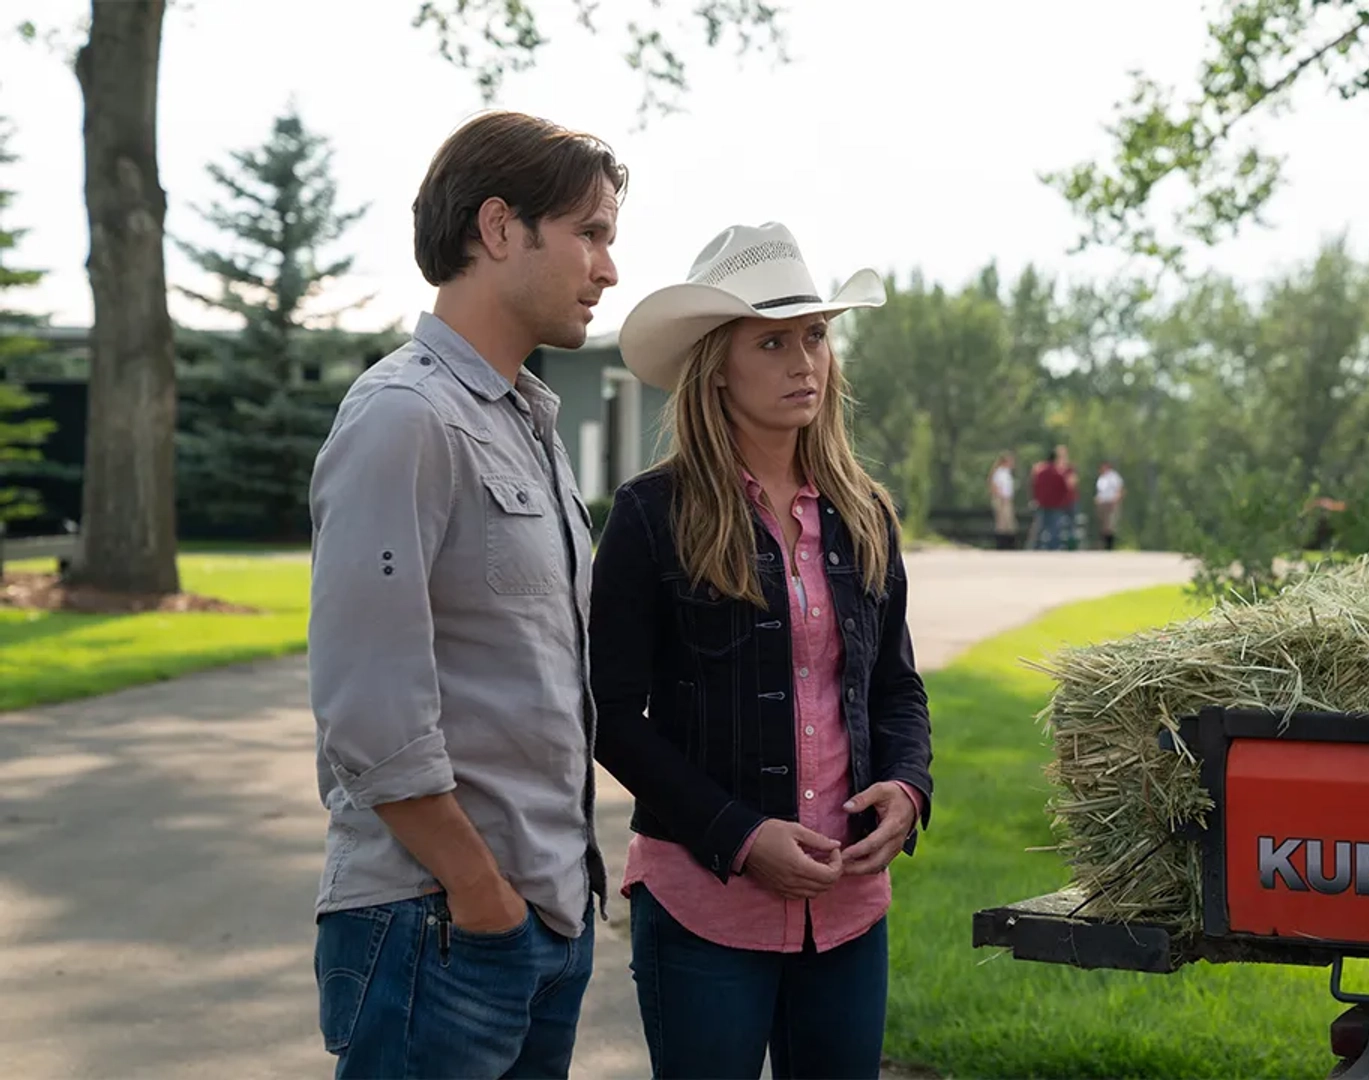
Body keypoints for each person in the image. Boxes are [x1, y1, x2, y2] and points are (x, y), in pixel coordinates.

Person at [305, 111, 623, 1079]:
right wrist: (483, 900)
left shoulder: (524, 422)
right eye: (592, 233)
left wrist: (535, 909)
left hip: (534, 923)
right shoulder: (405, 420)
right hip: (438, 930)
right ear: (498, 229)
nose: (609, 268)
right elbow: (369, 715)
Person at [589, 222, 934, 1080]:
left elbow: (895, 686)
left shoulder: (865, 516)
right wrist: (740, 837)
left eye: (814, 336)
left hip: (849, 907)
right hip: (705, 905)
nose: (803, 361)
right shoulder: (650, 517)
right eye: (772, 341)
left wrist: (908, 789)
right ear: (717, 363)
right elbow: (609, 715)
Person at [1030, 445, 1076, 550]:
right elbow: (1066, 487)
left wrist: (1036, 498)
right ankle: (1053, 547)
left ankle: (1036, 546)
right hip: (1055, 504)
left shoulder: (1040, 471)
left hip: (1042, 502)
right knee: (1054, 527)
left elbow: (1034, 485)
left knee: (1041, 526)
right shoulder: (1058, 473)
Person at [989, 451, 1018, 550]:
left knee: (1009, 523)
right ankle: (1002, 545)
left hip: (1007, 499)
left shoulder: (1006, 473)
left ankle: (1008, 545)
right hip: (1002, 500)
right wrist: (1001, 497)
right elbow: (995, 486)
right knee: (1002, 523)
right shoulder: (1000, 472)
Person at [1093, 461, 1124, 551]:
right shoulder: (1101, 478)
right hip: (1102, 503)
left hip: (1111, 502)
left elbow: (1119, 489)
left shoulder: (1113, 476)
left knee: (1110, 524)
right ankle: (1104, 544)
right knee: (1103, 524)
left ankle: (1110, 546)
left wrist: (1116, 500)